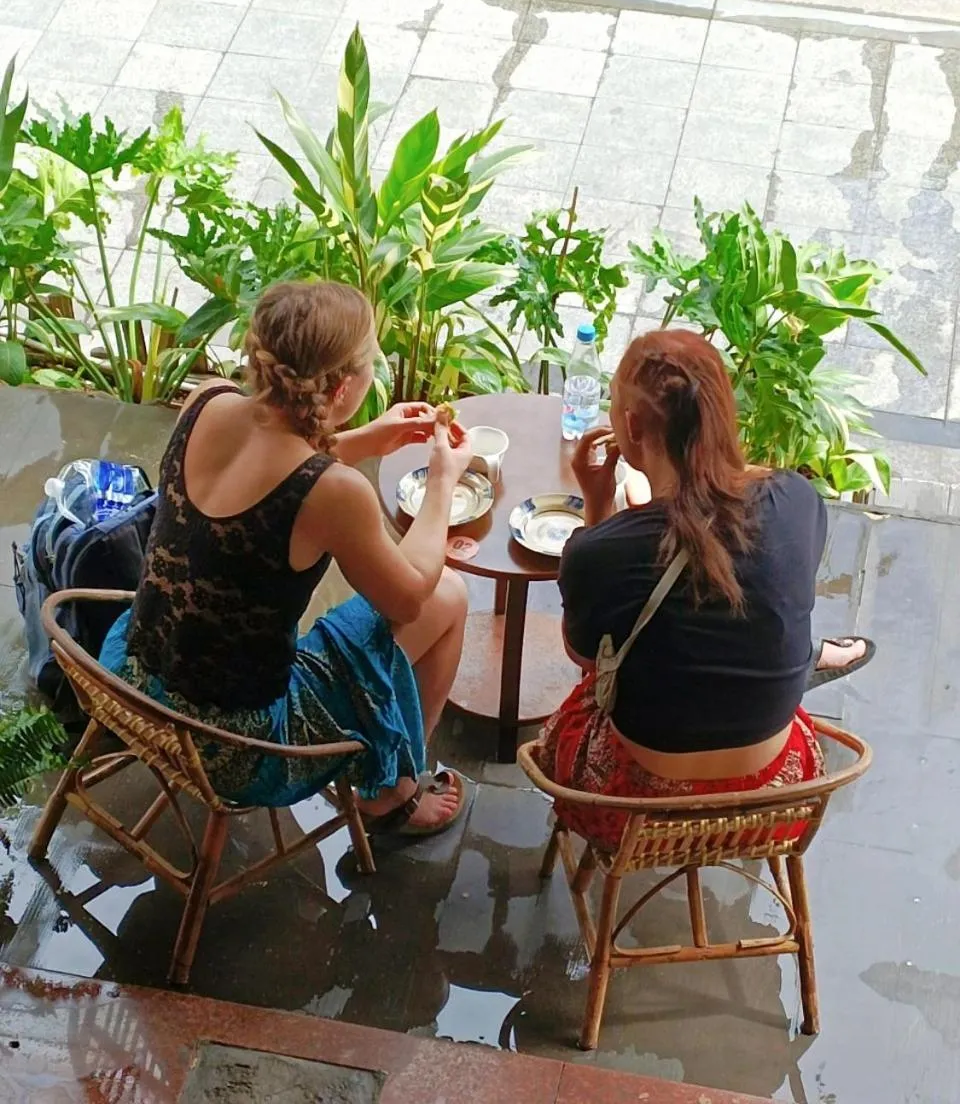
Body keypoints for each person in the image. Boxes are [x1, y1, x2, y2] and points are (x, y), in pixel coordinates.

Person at [100, 280, 472, 837]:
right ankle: (394, 793)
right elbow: (412, 592)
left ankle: (393, 782)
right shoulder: (336, 493)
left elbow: (271, 474)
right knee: (448, 596)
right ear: (344, 386)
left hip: (131, 676)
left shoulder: (206, 403)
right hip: (238, 741)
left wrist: (364, 439)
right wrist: (443, 481)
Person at [532, 328, 873, 852]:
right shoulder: (797, 501)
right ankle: (812, 660)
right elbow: (768, 582)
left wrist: (597, 507)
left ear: (629, 425)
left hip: (633, 811)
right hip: (777, 799)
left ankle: (811, 659)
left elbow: (588, 658)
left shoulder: (601, 552)